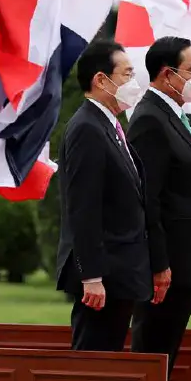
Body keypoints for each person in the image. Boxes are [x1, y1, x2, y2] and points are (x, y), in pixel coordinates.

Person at [56, 40, 154, 352]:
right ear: (101, 80)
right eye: (126, 74)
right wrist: (91, 276)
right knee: (93, 364)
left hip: (120, 271)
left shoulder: (108, 126)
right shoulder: (87, 127)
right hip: (103, 276)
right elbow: (83, 207)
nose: (133, 83)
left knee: (108, 361)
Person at [127, 37, 191, 376]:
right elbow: (148, 198)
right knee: (154, 352)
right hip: (167, 266)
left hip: (185, 260)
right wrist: (158, 264)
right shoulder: (150, 119)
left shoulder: (175, 115)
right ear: (167, 74)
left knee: (167, 350)